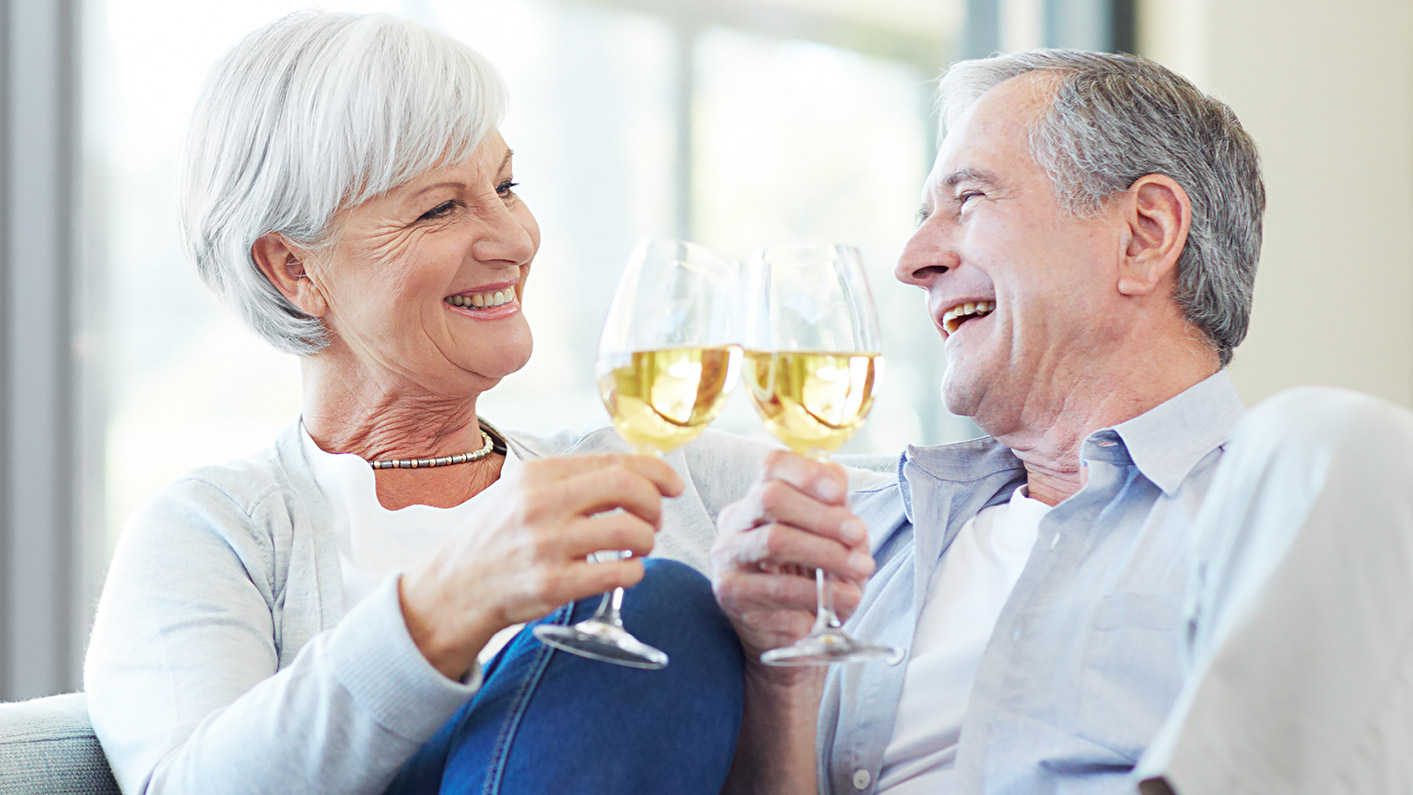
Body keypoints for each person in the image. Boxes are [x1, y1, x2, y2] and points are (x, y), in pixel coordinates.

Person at [83, 11, 774, 794]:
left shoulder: (672, 473)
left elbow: (930, 511)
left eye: (506, 187)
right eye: (440, 207)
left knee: (661, 604)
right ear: (292, 268)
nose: (514, 237)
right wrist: (445, 606)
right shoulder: (214, 528)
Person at [711, 49, 1413, 793]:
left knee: (1349, 436)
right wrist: (775, 675)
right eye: (924, 218)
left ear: (1143, 234)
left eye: (968, 198)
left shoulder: (1304, 502)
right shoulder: (855, 537)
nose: (912, 260)